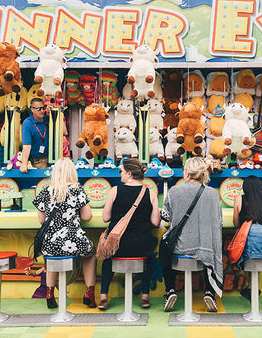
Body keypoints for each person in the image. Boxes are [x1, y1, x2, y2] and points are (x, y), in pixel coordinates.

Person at [160, 157, 223, 313]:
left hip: (179, 248)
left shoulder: (174, 191)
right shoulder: (212, 194)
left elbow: (166, 217)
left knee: (164, 247)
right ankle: (210, 292)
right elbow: (218, 222)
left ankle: (170, 290)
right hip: (205, 249)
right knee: (213, 250)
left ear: (187, 173)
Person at [33, 157, 97, 309]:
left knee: (51, 258)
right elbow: (87, 216)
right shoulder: (77, 190)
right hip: (74, 240)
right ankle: (89, 292)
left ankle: (49, 294)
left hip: (50, 242)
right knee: (91, 254)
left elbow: (41, 220)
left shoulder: (45, 191)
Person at [99, 158, 160, 310]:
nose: (120, 174)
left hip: (118, 244)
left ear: (129, 174)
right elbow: (156, 222)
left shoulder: (114, 191)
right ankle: (145, 296)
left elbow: (105, 218)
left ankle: (103, 296)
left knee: (108, 257)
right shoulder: (150, 193)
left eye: (121, 171)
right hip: (141, 244)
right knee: (149, 257)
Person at [21, 98, 49, 171]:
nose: (42, 111)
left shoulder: (49, 119)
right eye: (39, 109)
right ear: (32, 109)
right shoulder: (27, 124)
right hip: (37, 162)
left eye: (44, 108)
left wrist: (59, 114)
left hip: (52, 160)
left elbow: (65, 132)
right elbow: (26, 146)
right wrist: (24, 164)